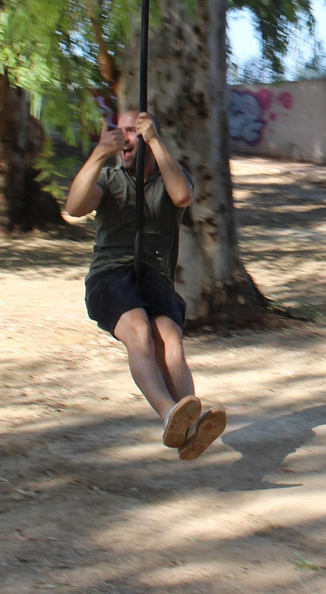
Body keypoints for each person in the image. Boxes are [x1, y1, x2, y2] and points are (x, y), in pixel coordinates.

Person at [65, 110, 226, 459]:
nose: (124, 137)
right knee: (139, 329)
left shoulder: (170, 175)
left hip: (154, 276)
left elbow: (182, 197)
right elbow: (75, 207)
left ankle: (189, 430)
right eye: (120, 131)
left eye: (132, 131)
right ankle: (169, 414)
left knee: (170, 338)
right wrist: (99, 153)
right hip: (110, 276)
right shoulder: (109, 178)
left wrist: (154, 140)